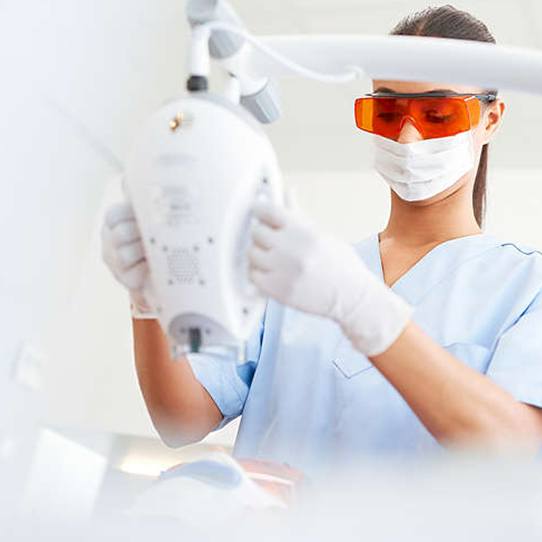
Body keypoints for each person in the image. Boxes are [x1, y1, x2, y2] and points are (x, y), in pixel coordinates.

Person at [102, 5, 542, 474]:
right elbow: (179, 421)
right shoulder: (299, 270)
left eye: (437, 114)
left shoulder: (524, 287)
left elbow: (515, 454)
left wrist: (362, 309)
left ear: (491, 118)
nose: (409, 135)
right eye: (388, 111)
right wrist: (149, 295)